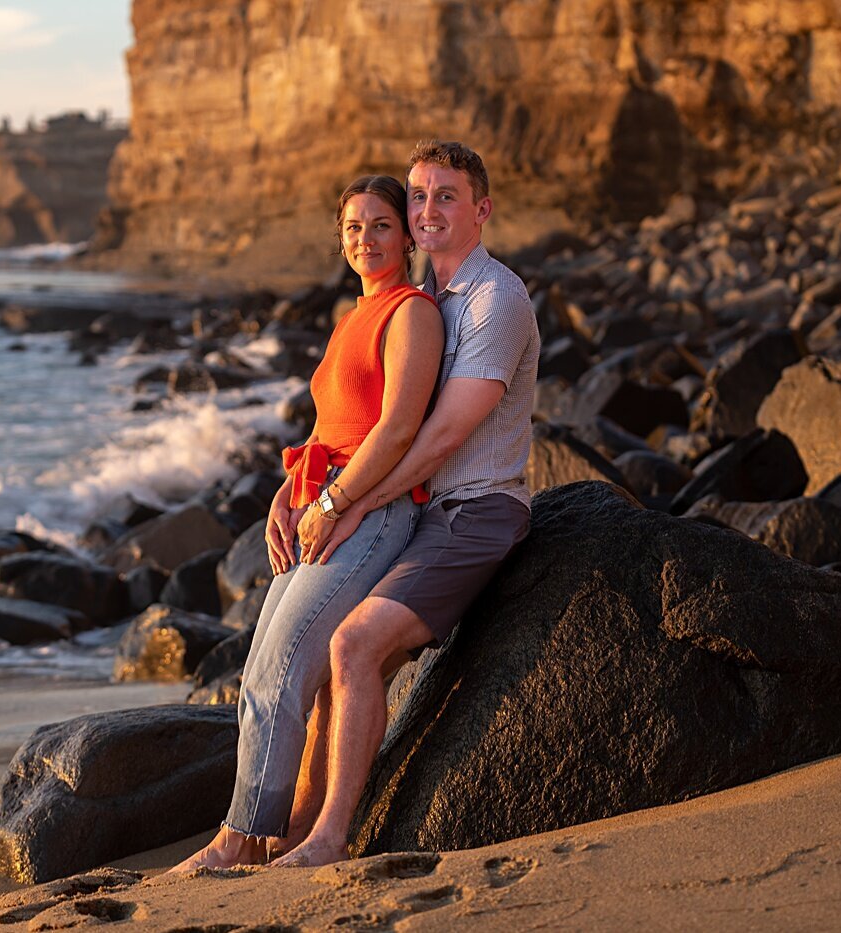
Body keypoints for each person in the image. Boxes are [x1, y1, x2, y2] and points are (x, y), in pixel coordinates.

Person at [273, 140, 539, 868]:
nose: (427, 210)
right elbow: (357, 415)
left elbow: (443, 432)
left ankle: (330, 837)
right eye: (418, 196)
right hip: (422, 512)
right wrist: (299, 489)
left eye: (446, 196)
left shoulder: (495, 299)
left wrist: (350, 499)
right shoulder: (427, 300)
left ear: (481, 209)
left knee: (354, 645)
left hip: (476, 513)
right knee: (335, 651)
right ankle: (288, 830)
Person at [169, 174, 445, 871]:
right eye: (354, 227)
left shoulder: (411, 313)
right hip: (328, 506)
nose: (366, 238)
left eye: (381, 224)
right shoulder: (351, 316)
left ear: (407, 236)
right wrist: (286, 494)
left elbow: (398, 429)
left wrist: (333, 503)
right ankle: (265, 833)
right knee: (265, 667)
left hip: (373, 514)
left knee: (286, 665)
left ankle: (237, 839)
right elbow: (331, 428)